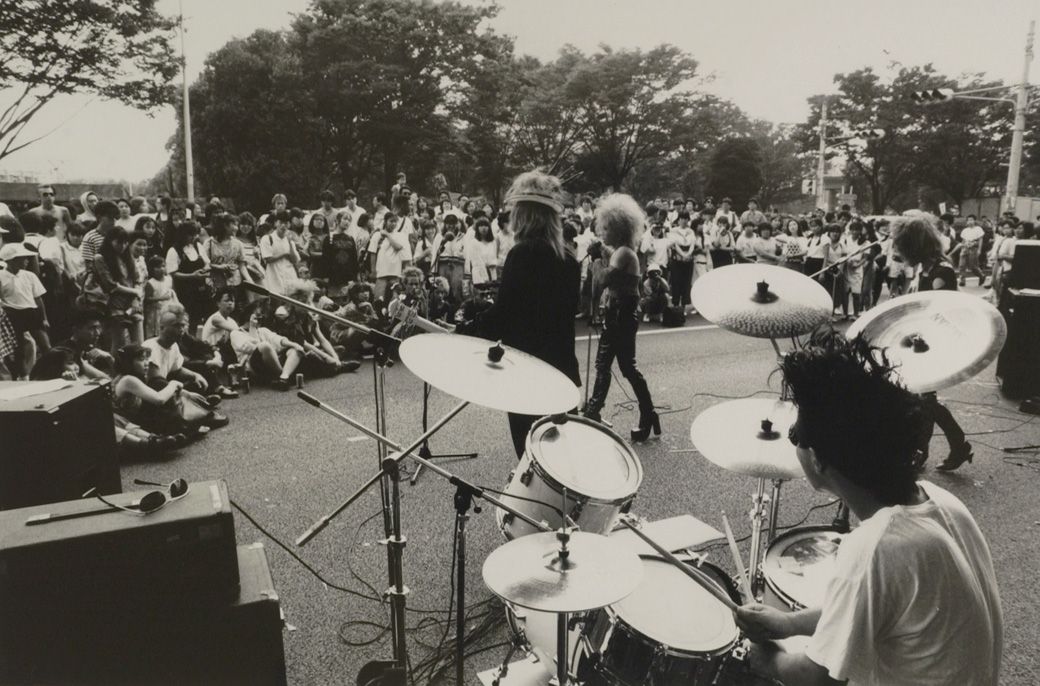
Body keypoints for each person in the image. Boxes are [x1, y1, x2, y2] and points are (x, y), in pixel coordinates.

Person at [736, 331, 1002, 686]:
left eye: (795, 436)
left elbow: (817, 677)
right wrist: (788, 624)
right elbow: (867, 610)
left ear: (817, 459)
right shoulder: (938, 501)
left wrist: (766, 662)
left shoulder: (877, 547)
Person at [467, 170, 581, 457]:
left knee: (530, 456)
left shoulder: (522, 254)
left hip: (527, 371)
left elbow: (503, 316)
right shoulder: (568, 258)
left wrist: (468, 329)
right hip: (562, 370)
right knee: (562, 458)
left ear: (524, 215)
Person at [892, 217, 974, 471]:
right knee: (925, 400)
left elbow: (939, 308)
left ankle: (922, 452)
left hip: (935, 342)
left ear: (915, 247)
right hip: (922, 341)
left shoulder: (941, 271)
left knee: (925, 400)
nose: (900, 254)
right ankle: (958, 446)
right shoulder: (926, 268)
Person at [583, 193, 660, 442]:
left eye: (605, 227)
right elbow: (610, 257)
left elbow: (604, 279)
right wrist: (601, 252)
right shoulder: (623, 251)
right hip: (621, 312)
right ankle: (646, 413)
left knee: (612, 366)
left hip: (621, 313)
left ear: (617, 228)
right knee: (620, 367)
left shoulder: (624, 253)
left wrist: (595, 259)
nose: (601, 231)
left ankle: (594, 412)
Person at [0, 242, 50, 379]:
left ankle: (51, 371)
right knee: (19, 349)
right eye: (22, 258)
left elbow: (38, 299)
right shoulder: (1, 276)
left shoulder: (30, 276)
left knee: (45, 345)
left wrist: (44, 318)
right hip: (13, 314)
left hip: (32, 313)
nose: (26, 261)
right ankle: (24, 377)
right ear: (12, 261)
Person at [259, 210, 301, 296]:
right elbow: (268, 259)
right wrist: (284, 254)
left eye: (286, 223)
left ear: (289, 225)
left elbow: (295, 260)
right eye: (281, 222)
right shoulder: (267, 238)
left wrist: (290, 243)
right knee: (275, 304)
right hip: (274, 279)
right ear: (275, 223)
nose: (283, 225)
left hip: (290, 278)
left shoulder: (289, 240)